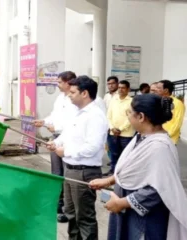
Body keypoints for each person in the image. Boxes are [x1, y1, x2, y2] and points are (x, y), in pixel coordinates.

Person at [90, 94, 187, 240]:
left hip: (144, 218)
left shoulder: (159, 147)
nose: (128, 116)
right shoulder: (142, 137)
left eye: (129, 113)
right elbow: (131, 169)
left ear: (141, 116)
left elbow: (159, 189)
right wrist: (110, 180)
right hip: (126, 210)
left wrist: (122, 203)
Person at [47, 75, 108, 239]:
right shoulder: (78, 113)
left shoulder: (95, 115)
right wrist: (56, 143)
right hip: (70, 169)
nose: (69, 95)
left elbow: (92, 147)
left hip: (84, 171)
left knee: (84, 217)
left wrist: (65, 152)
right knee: (71, 214)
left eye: (72, 92)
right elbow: (67, 134)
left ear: (85, 93)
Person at [33, 70, 77, 223]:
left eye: (59, 82)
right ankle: (58, 204)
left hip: (67, 140)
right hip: (57, 138)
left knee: (67, 174)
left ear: (68, 82)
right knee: (56, 173)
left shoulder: (75, 100)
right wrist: (44, 122)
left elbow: (72, 122)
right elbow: (55, 115)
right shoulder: (60, 98)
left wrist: (56, 127)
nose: (57, 85)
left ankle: (67, 207)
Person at [104, 80, 135, 175]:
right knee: (114, 153)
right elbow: (108, 116)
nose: (120, 90)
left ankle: (123, 173)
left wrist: (120, 129)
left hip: (126, 133)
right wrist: (112, 127)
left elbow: (131, 117)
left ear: (128, 89)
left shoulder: (132, 101)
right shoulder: (114, 100)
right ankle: (113, 171)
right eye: (119, 87)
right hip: (113, 132)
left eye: (123, 88)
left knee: (125, 154)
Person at [156, 80, 185, 145]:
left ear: (166, 90)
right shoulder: (159, 101)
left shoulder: (177, 103)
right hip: (157, 137)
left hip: (168, 139)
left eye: (158, 88)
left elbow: (177, 123)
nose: (156, 89)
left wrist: (167, 135)